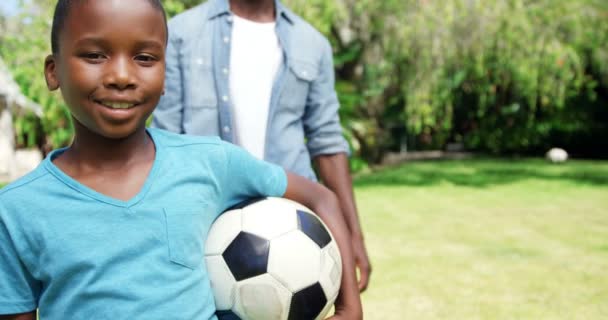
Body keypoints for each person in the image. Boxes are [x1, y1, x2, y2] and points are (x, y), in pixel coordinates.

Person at [0, 1, 362, 319]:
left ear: (164, 74)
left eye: (144, 58)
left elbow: (321, 197)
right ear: (53, 71)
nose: (122, 77)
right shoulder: (16, 211)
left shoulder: (210, 163)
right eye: (95, 55)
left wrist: (349, 310)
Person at [152, 0, 372, 291]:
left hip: (295, 239)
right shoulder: (181, 32)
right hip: (208, 235)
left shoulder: (312, 43)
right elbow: (166, 142)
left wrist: (354, 236)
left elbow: (328, 142)